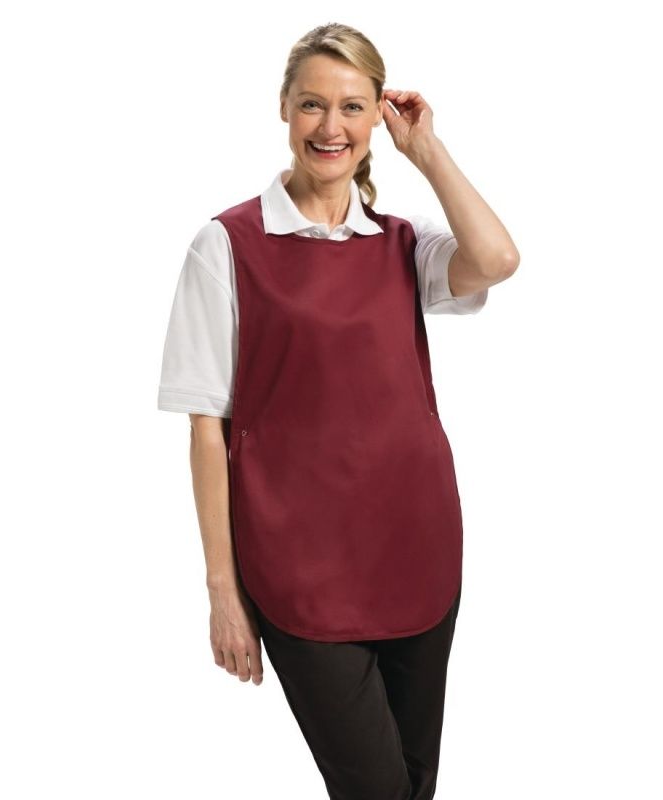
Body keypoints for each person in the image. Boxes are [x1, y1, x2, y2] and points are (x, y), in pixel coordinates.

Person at [157, 22, 519, 800]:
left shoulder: (402, 244)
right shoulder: (227, 246)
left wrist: (427, 152)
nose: (331, 126)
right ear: (284, 109)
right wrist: (222, 588)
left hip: (417, 546)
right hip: (296, 564)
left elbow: (497, 259)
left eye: (353, 107)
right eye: (312, 104)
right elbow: (206, 428)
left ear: (376, 117)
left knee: (413, 785)